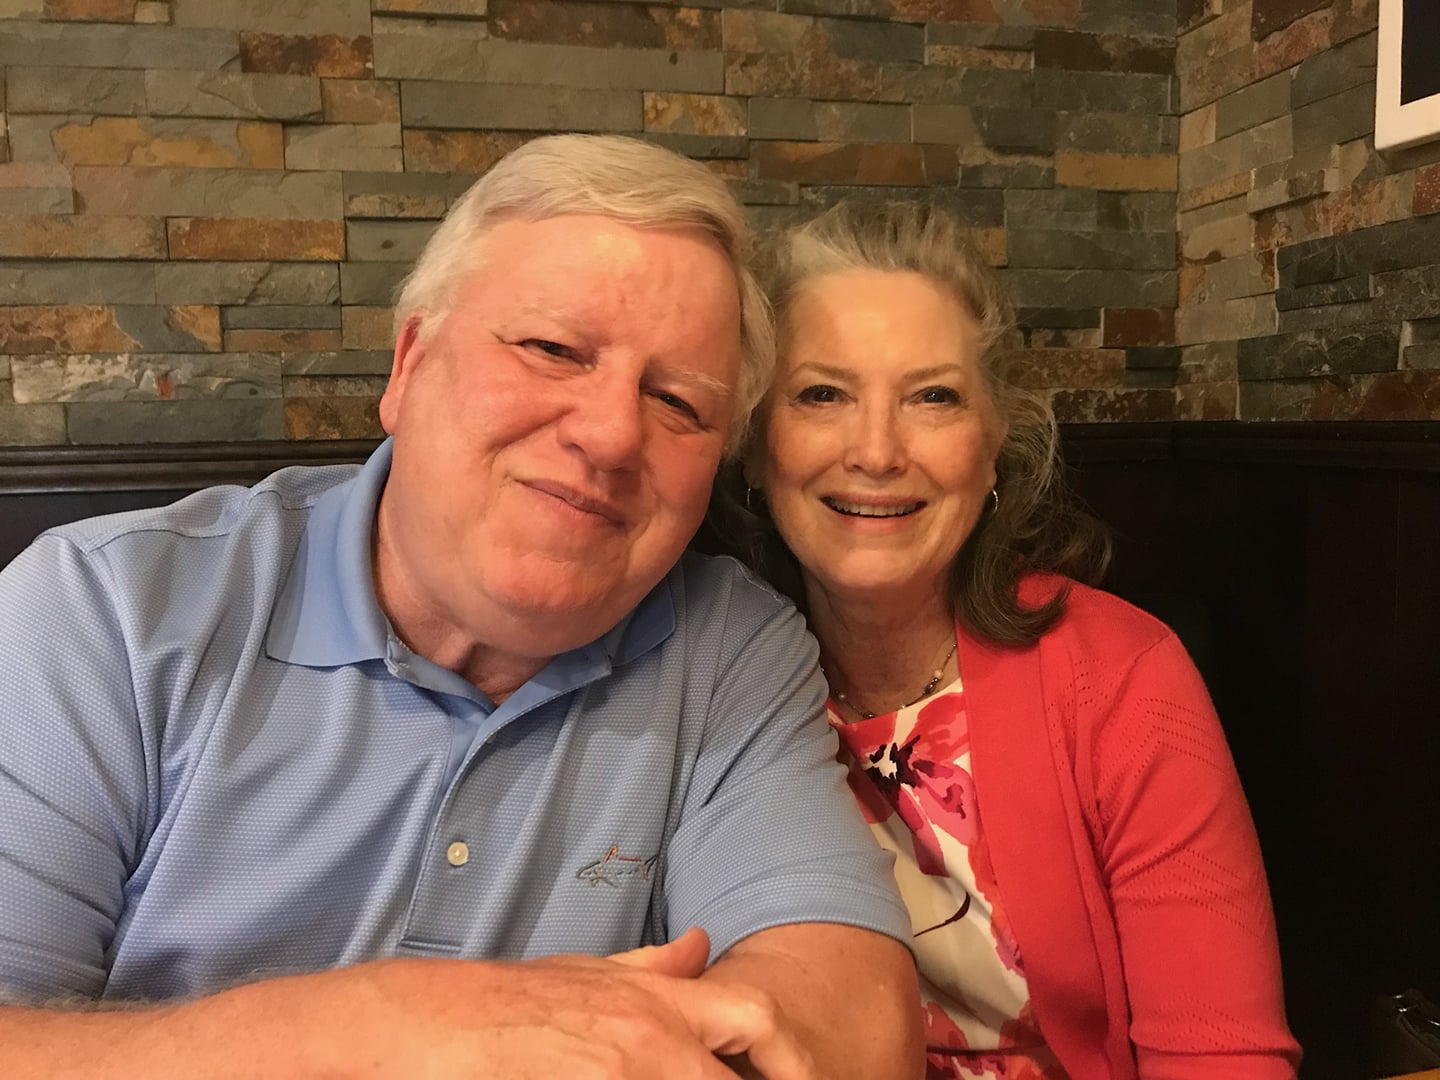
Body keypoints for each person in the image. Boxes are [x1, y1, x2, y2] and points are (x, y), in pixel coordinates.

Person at [0, 136, 924, 1078]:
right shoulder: (101, 612)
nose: (612, 435)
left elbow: (855, 1021)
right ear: (410, 365)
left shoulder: (731, 647)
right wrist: (374, 1031)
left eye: (679, 402)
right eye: (552, 350)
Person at [718, 201, 1302, 1079]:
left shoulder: (1124, 678)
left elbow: (1222, 1056)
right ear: (758, 444)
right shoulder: (708, 674)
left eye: (933, 397)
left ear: (993, 445)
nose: (876, 450)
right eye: (822, 394)